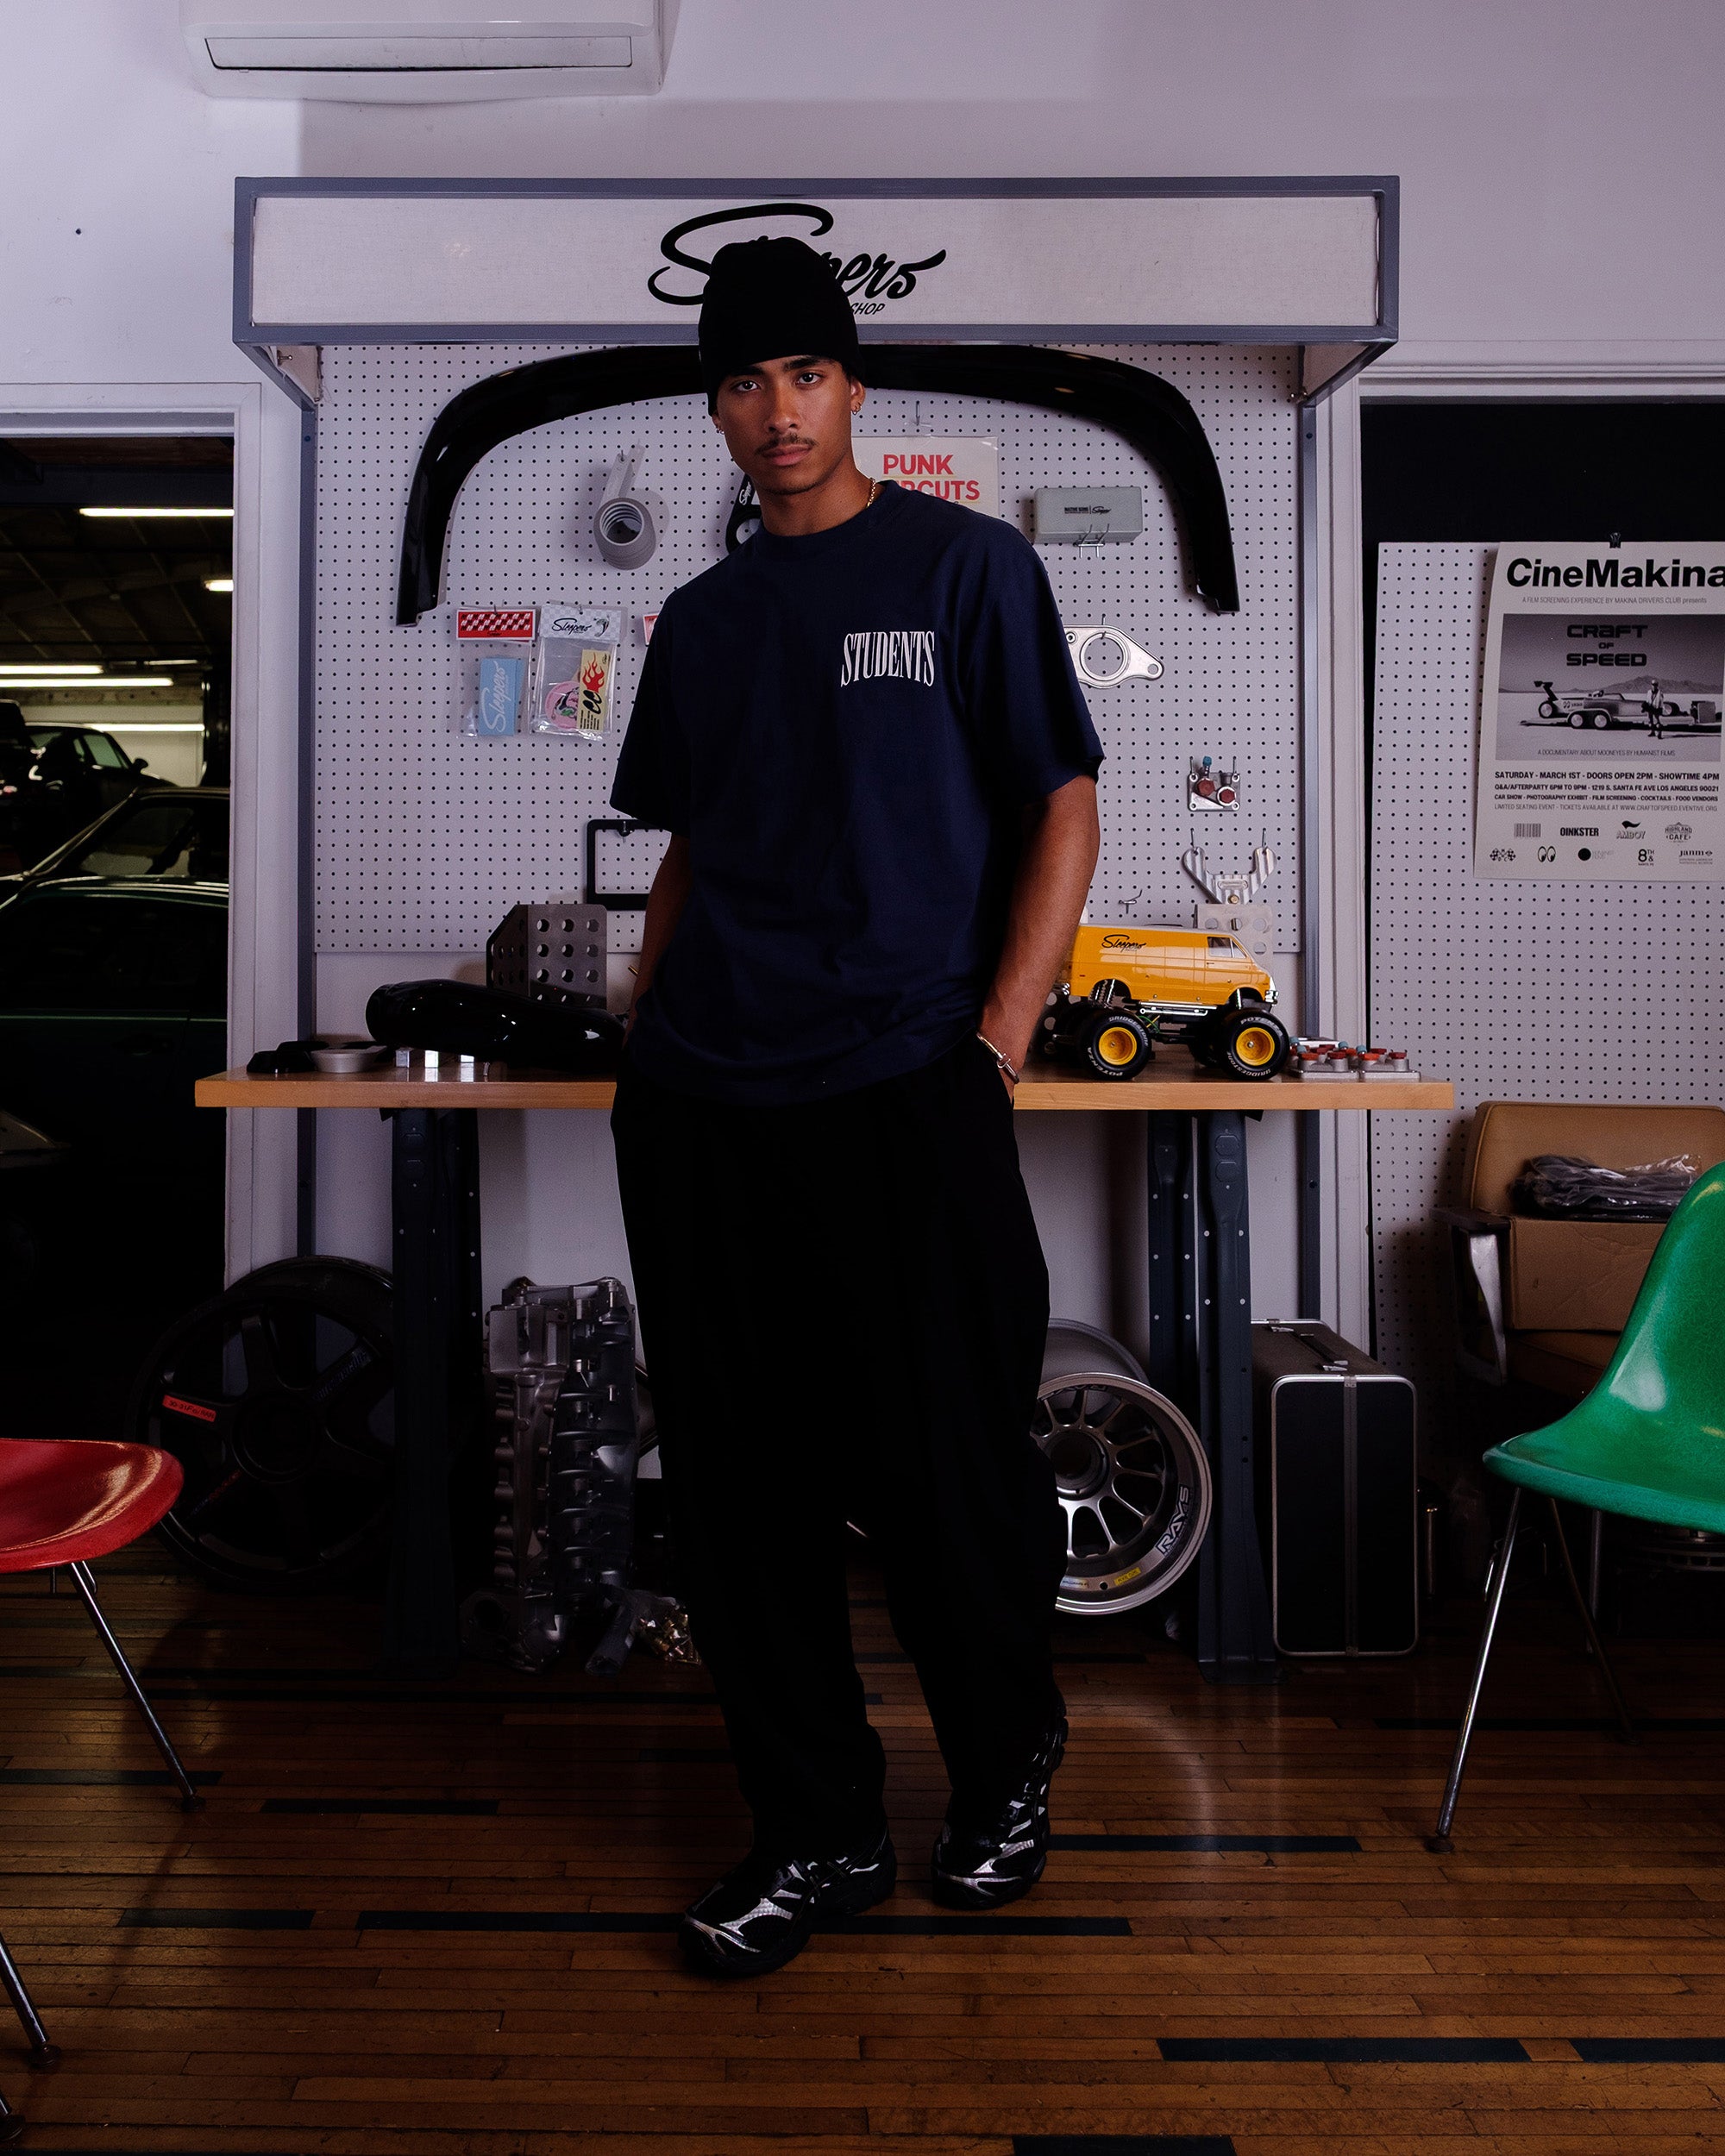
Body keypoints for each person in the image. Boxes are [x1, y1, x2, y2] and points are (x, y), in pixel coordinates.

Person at [608, 235, 1103, 1980]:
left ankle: (1003, 1764)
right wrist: (646, 1012)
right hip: (704, 1096)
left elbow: (1060, 801)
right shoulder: (704, 619)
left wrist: (997, 1040)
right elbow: (691, 840)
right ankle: (815, 1827)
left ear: (852, 387)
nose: (776, 409)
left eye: (803, 374)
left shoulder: (967, 568)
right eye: (743, 382)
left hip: (907, 1083)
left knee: (945, 1469)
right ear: (717, 411)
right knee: (739, 1492)